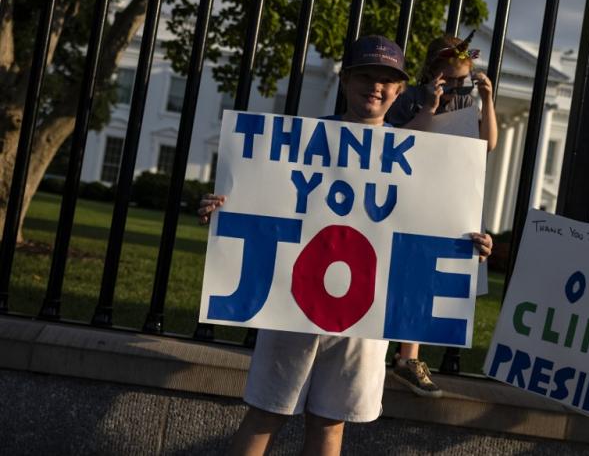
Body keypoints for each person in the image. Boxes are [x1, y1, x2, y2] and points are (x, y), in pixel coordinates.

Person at [197, 34, 493, 456]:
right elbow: (260, 199)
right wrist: (223, 210)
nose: (375, 86)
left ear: (400, 90)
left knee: (330, 425)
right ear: (345, 81)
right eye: (365, 76)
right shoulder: (298, 140)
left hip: (367, 314)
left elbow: (432, 222)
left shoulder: (418, 153)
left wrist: (470, 245)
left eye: (386, 80)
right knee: (266, 414)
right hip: (291, 307)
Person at [385, 31, 498, 398]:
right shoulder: (411, 99)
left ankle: (408, 356)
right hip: (409, 196)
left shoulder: (466, 102)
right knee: (399, 272)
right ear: (432, 73)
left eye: (460, 80)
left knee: (426, 277)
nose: (453, 87)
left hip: (447, 197)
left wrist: (487, 100)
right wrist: (429, 108)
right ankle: (392, 351)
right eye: (448, 79)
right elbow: (394, 141)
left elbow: (487, 144)